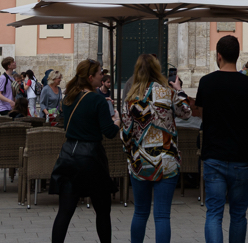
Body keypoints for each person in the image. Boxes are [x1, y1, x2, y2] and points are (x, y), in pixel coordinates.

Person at [193, 34, 248, 243]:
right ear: (238, 56)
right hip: (241, 155)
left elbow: (201, 113)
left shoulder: (206, 82)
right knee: (238, 214)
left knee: (214, 212)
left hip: (213, 154)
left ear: (219, 55)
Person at [122, 53, 191, 243]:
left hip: (140, 161)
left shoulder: (130, 98)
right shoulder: (167, 93)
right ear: (157, 70)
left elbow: (125, 134)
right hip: (167, 160)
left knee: (140, 212)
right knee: (162, 215)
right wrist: (180, 90)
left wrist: (130, 156)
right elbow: (186, 112)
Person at [51, 59, 119, 243]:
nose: (102, 76)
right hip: (91, 156)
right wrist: (118, 121)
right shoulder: (97, 99)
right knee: (103, 211)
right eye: (99, 74)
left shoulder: (69, 97)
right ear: (90, 77)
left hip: (69, 154)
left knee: (65, 212)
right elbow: (109, 132)